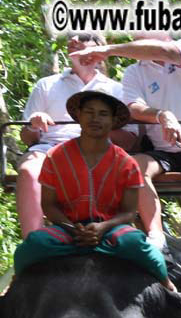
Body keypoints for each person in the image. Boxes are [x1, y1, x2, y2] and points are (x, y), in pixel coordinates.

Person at [74, 33, 181, 259]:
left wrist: (107, 50)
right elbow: (133, 107)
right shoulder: (134, 72)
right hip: (163, 149)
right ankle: (157, 238)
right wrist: (161, 115)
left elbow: (163, 51)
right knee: (134, 166)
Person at [13, 90, 174, 292]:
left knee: (141, 247)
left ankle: (169, 288)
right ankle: (15, 288)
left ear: (113, 121)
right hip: (67, 230)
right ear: (78, 116)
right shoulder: (56, 156)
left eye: (103, 114)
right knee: (33, 245)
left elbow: (129, 212)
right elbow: (49, 204)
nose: (95, 118)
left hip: (111, 232)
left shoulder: (127, 163)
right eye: (89, 112)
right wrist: (73, 228)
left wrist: (103, 227)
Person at [16, 32, 135, 238]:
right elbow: (27, 137)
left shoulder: (116, 89)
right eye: (71, 36)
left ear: (99, 49)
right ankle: (33, 240)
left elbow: (131, 140)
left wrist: (101, 127)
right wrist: (35, 124)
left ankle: (115, 235)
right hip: (50, 148)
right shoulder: (46, 85)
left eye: (84, 36)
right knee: (28, 170)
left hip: (98, 149)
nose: (74, 39)